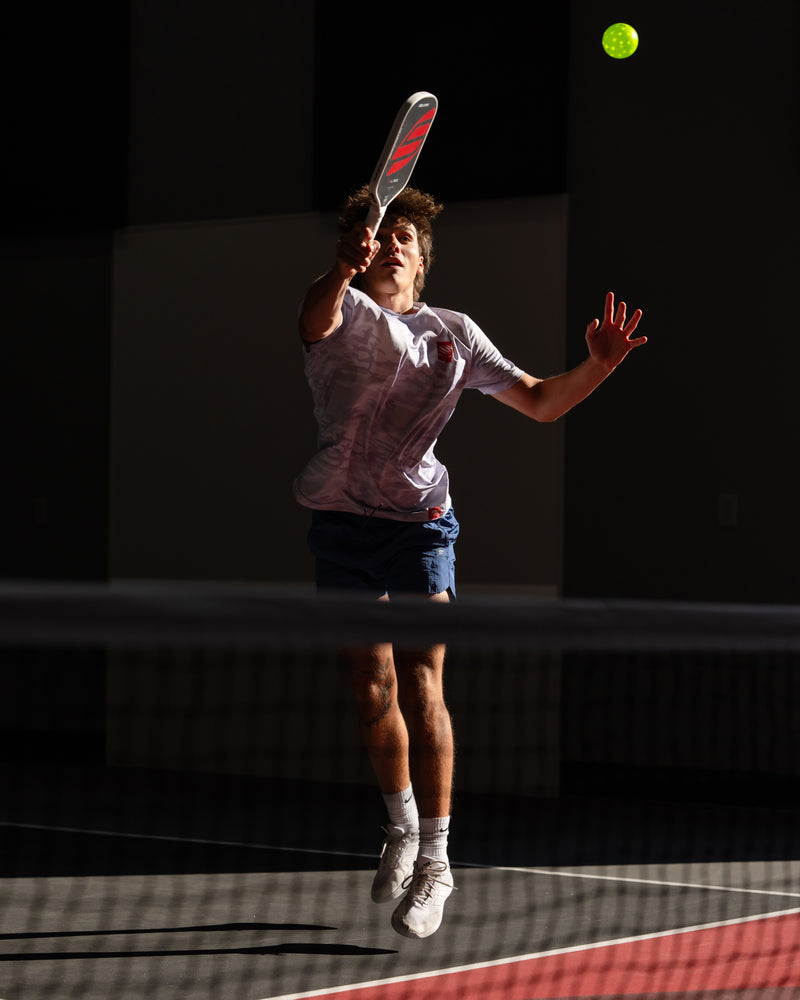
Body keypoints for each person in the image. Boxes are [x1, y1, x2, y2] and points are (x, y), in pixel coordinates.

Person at [293, 186, 645, 939]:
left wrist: (598, 367)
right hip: (341, 523)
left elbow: (541, 401)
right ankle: (399, 828)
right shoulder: (339, 311)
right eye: (380, 234)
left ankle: (438, 861)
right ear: (360, 248)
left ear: (422, 260)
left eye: (405, 238)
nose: (392, 244)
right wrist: (339, 270)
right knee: (371, 688)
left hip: (420, 527)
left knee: (423, 681)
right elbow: (312, 318)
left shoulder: (453, 335)